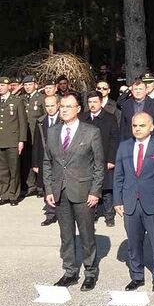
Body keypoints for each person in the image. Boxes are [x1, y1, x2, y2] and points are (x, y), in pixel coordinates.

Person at [42, 94, 105, 291]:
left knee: (86, 234)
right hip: (59, 190)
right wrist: (49, 188)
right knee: (66, 235)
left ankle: (90, 273)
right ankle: (69, 271)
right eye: (62, 106)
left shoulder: (91, 132)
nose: (64, 110)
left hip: (83, 191)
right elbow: (47, 162)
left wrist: (95, 191)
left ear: (78, 109)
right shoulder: (52, 132)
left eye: (69, 106)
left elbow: (99, 164)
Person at [113, 112, 154, 292]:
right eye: (135, 126)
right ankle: (137, 276)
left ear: (151, 127)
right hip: (130, 202)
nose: (138, 129)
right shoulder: (124, 147)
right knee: (133, 243)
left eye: (142, 125)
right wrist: (118, 200)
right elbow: (118, 176)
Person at [81, 91, 120, 227]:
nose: (92, 105)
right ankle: (94, 214)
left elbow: (115, 140)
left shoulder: (110, 118)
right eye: (90, 102)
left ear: (101, 102)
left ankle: (109, 216)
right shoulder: (83, 118)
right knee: (91, 188)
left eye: (95, 102)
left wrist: (112, 159)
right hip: (87, 160)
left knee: (107, 189)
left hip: (105, 158)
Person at [32, 95, 61, 225]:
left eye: (52, 105)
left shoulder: (63, 119)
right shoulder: (41, 121)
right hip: (45, 159)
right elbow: (37, 143)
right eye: (47, 106)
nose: (49, 109)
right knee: (47, 186)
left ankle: (62, 213)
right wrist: (35, 163)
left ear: (58, 105)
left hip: (60, 158)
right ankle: (50, 214)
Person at [0, 76, 28, 205]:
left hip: (12, 140)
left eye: (3, 85)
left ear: (9, 87)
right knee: (2, 170)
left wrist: (21, 140)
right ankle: (4, 194)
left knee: (14, 169)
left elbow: (22, 122)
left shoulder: (16, 101)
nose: (1, 87)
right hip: (1, 141)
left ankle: (13, 195)